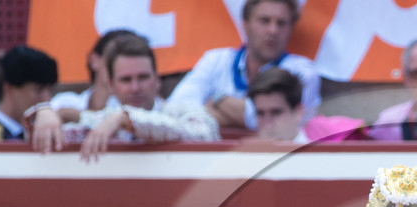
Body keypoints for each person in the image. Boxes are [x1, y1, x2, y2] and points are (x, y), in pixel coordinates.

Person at [29, 36, 218, 159]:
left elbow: (203, 133)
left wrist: (125, 118)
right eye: (126, 80)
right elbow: (37, 136)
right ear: (110, 85)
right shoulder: (103, 120)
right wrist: (44, 112)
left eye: (143, 77)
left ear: (157, 80)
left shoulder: (179, 110)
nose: (135, 88)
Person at [167, 0, 321, 134]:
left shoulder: (302, 72)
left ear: (290, 29)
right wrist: (241, 116)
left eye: (281, 23)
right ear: (245, 25)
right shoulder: (215, 60)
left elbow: (273, 123)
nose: (273, 31)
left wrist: (217, 100)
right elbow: (174, 108)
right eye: (264, 20)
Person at [50, 29, 138, 114]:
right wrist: (43, 112)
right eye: (113, 58)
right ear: (94, 60)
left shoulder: (138, 108)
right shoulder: (65, 102)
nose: (122, 66)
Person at [0, 46, 59, 141]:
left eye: (50, 91)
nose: (47, 99)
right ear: (9, 88)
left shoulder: (47, 129)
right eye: (38, 90)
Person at [248, 67, 308, 143]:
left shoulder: (317, 154)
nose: (267, 125)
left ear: (298, 112)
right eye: (260, 113)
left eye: (276, 113)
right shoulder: (247, 154)